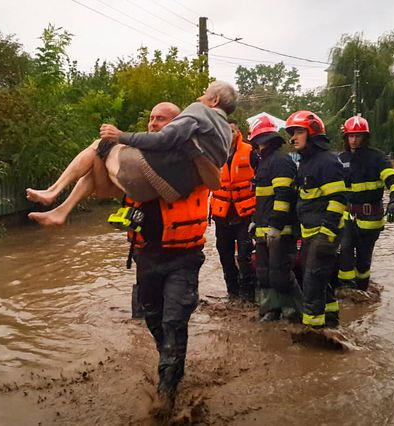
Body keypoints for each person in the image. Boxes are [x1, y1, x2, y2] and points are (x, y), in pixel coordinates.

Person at [25, 81, 237, 225]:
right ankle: (60, 211)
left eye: (205, 94)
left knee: (101, 143)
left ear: (215, 100)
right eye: (151, 119)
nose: (200, 98)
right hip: (166, 191)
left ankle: (53, 191)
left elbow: (163, 140)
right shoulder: (227, 134)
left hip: (146, 174)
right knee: (96, 159)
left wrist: (120, 135)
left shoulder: (199, 111)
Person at [120, 183, 209, 414]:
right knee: (153, 318)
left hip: (184, 257)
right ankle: (172, 363)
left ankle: (166, 390)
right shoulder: (133, 167)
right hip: (147, 257)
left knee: (174, 321)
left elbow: (213, 172)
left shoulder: (192, 161)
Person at [287, 110, 346, 328]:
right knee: (317, 279)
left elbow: (339, 199)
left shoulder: (327, 162)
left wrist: (326, 235)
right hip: (311, 233)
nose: (293, 137)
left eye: (298, 131)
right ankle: (331, 320)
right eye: (292, 132)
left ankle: (313, 331)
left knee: (312, 282)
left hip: (324, 233)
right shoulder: (307, 162)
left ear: (312, 133)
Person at [336, 115, 394, 291]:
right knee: (345, 250)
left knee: (364, 258)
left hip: (371, 217)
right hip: (347, 216)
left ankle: (362, 289)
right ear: (345, 137)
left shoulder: (377, 158)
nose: (354, 140)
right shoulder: (340, 159)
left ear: (365, 138)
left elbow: (393, 180)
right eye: (350, 136)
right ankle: (346, 290)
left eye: (358, 136)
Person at [130, 102, 182, 319]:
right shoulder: (134, 153)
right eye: (151, 118)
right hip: (144, 246)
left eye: (160, 119)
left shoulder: (187, 155)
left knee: (174, 316)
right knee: (147, 310)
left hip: (179, 249)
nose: (152, 124)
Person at [249, 115, 303, 322]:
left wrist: (276, 226)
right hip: (264, 230)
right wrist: (256, 220)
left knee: (281, 275)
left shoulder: (280, 162)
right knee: (264, 275)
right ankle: (271, 311)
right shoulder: (265, 163)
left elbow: (283, 197)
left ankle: (296, 313)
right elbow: (263, 199)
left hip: (280, 232)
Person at [210, 119, 257, 302]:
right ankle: (232, 293)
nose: (227, 134)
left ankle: (248, 296)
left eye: (231, 130)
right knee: (225, 256)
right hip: (222, 216)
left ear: (238, 132)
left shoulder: (250, 152)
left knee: (245, 256)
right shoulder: (213, 155)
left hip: (244, 215)